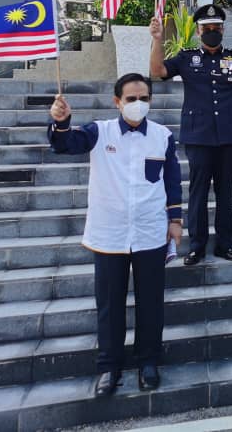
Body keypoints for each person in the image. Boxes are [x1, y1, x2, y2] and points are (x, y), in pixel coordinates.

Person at [48, 73, 182, 396]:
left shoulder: (162, 136)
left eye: (145, 98)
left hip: (150, 232)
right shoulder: (98, 132)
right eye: (132, 98)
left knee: (151, 303)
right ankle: (109, 366)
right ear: (117, 102)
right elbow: (65, 144)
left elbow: (173, 180)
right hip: (109, 234)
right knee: (109, 304)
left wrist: (175, 220)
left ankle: (148, 361)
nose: (139, 104)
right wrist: (61, 122)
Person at [150, 4, 232, 266]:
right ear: (198, 31)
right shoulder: (186, 58)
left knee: (226, 193)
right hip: (198, 137)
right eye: (207, 28)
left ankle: (225, 244)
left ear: (223, 29)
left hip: (229, 136)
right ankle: (196, 246)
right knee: (197, 194)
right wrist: (158, 40)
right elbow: (158, 71)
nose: (212, 32)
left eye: (216, 28)